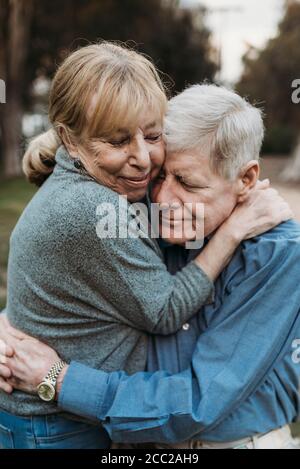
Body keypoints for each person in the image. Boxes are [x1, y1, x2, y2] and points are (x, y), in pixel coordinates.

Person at [0, 84, 298, 450]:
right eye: (160, 177)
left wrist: (58, 380)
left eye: (187, 183)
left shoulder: (277, 254)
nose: (164, 199)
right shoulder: (144, 217)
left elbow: (198, 403)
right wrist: (10, 324)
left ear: (246, 179)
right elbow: (73, 280)